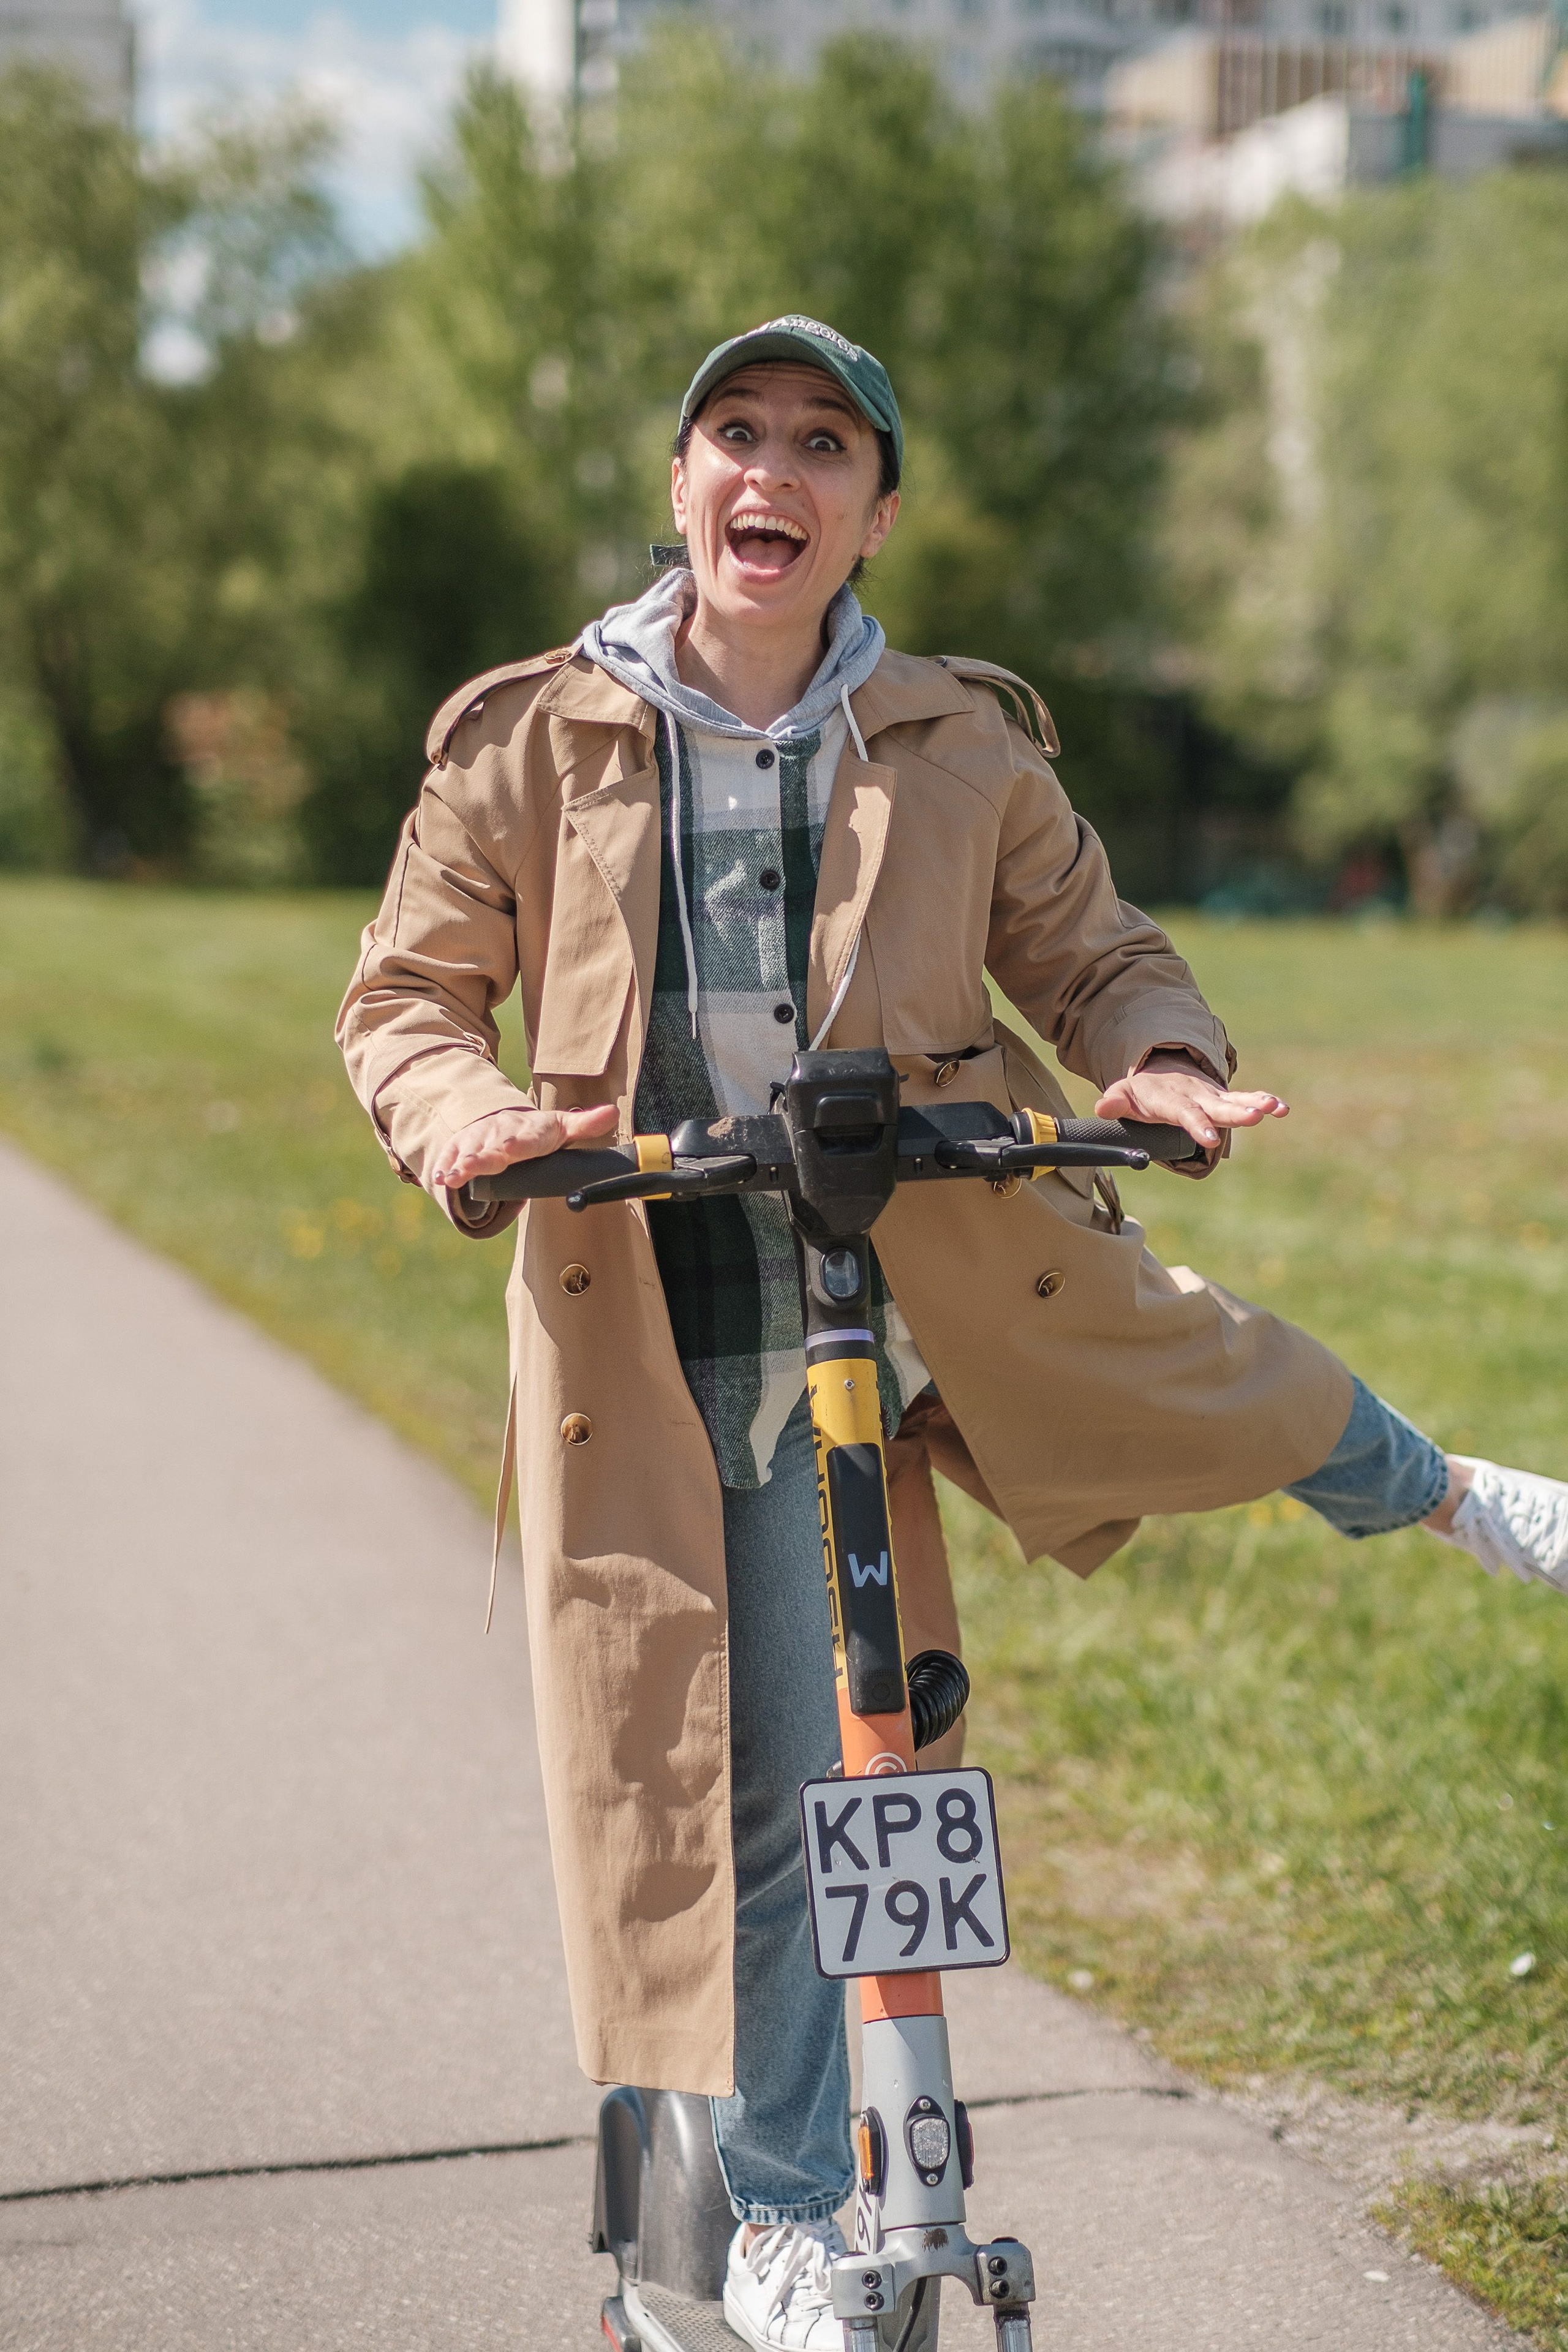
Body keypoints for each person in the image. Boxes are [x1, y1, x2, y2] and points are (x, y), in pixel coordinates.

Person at [337, 315, 1568, 2352]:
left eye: (826, 444)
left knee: (1204, 1379)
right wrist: (467, 1117)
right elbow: (405, 998)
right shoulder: (530, 741)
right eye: (739, 433)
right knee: (735, 1795)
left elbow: (1096, 951)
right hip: (677, 1329)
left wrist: (1162, 1058)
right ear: (682, 487)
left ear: (875, 514)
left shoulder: (955, 741)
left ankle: (1453, 1496)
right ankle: (749, 2230)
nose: (776, 470)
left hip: (929, 1269)